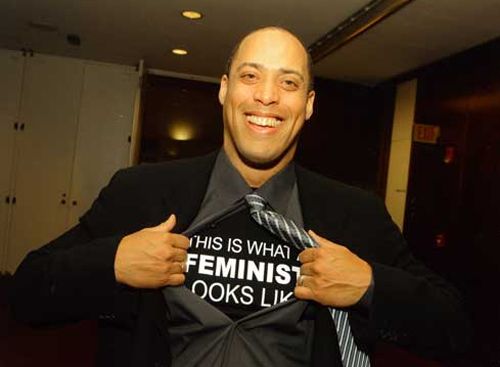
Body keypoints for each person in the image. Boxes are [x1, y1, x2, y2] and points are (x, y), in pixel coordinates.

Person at [11, 27, 470, 367]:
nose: (267, 97)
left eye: (288, 83)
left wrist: (370, 286)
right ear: (225, 89)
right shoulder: (140, 192)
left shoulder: (355, 213)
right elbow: (27, 294)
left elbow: (456, 328)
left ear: (307, 106)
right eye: (250, 76)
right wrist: (111, 262)